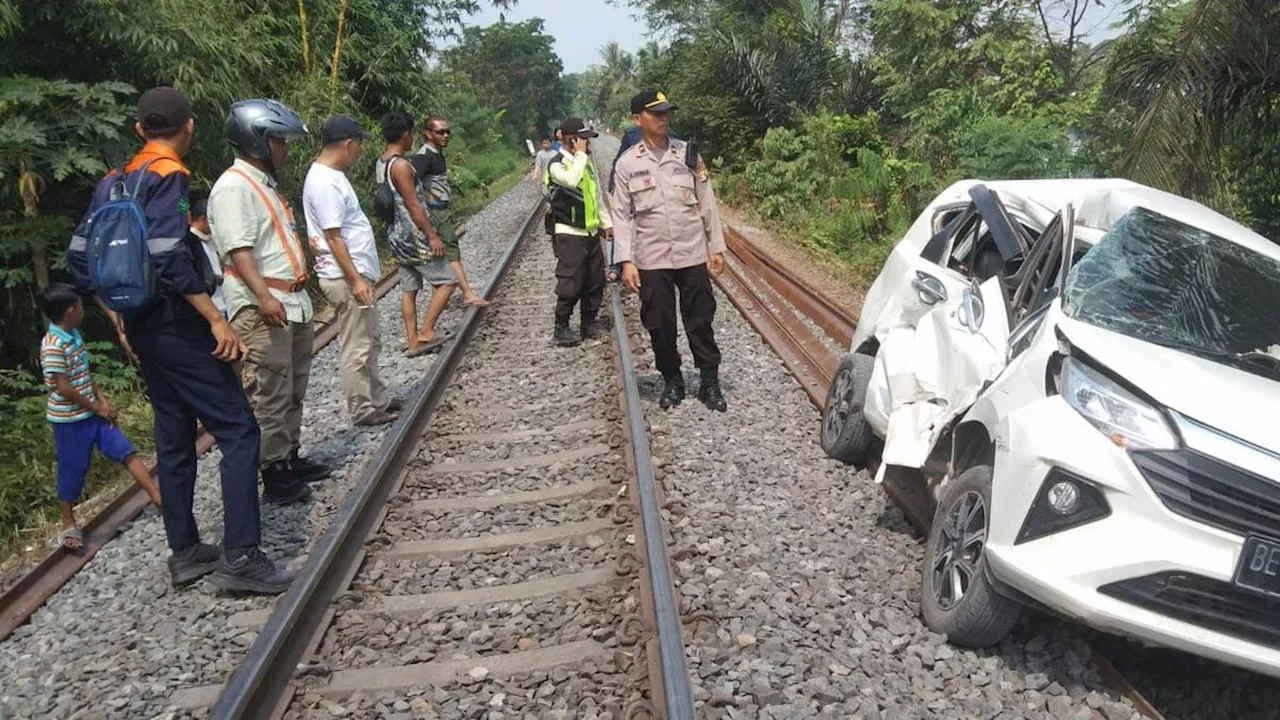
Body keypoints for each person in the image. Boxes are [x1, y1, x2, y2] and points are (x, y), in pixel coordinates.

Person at [66, 86, 292, 594]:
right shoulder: (168, 176)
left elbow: (80, 260)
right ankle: (241, 557)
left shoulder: (112, 181)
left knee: (173, 440)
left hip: (143, 327)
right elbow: (169, 255)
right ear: (189, 126)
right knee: (238, 431)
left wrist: (120, 316)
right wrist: (215, 319)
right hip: (177, 323)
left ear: (139, 129)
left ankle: (186, 552)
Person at [210, 98, 327, 506]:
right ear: (257, 140)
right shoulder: (233, 187)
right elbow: (239, 250)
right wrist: (262, 296)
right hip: (265, 305)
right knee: (270, 392)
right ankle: (273, 472)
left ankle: (289, 455)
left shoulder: (263, 184)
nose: (285, 149)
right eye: (279, 140)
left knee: (293, 386)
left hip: (289, 301)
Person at [610, 90, 728, 412]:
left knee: (701, 319)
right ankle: (672, 380)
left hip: (691, 252)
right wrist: (625, 260)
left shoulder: (688, 154)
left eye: (666, 113)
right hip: (652, 257)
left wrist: (715, 246)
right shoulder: (627, 164)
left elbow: (707, 200)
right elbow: (620, 215)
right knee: (659, 323)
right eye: (656, 113)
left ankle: (709, 381)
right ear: (638, 119)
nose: (664, 118)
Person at [39, 283, 164, 556]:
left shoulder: (73, 335)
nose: (83, 309)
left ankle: (157, 498)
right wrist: (97, 408)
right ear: (71, 310)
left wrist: (102, 401)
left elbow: (84, 373)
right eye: (80, 305)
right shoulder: (52, 345)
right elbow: (62, 387)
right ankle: (69, 521)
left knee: (125, 450)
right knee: (73, 468)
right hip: (70, 420)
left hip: (93, 412)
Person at [302, 115, 401, 427]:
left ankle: (378, 398)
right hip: (346, 278)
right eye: (357, 145)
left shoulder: (331, 175)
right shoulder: (324, 182)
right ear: (347, 144)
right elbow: (334, 237)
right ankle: (362, 408)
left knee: (369, 338)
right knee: (357, 344)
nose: (359, 152)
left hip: (354, 274)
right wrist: (356, 279)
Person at [378, 111, 458, 357]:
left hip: (396, 235)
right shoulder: (401, 166)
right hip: (414, 236)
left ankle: (413, 342)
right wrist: (432, 236)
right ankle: (426, 330)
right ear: (405, 134)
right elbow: (413, 205)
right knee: (447, 281)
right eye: (411, 133)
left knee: (409, 289)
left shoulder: (381, 162)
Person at [546, 118, 612, 347]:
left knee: (595, 279)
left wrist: (606, 223)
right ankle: (561, 326)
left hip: (591, 232)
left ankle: (589, 321)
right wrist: (581, 155)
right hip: (569, 232)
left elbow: (597, 196)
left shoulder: (587, 164)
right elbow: (571, 180)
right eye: (583, 138)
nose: (587, 143)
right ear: (569, 138)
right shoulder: (556, 164)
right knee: (570, 281)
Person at [412, 115, 490, 308]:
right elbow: (411, 182)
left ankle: (442, 294)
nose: (445, 135)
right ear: (428, 133)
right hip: (435, 212)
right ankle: (467, 293)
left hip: (442, 211)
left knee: (444, 252)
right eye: (440, 132)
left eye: (447, 132)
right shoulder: (424, 156)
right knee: (451, 251)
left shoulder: (436, 153)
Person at [188, 192, 226, 318]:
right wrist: (217, 278)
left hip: (222, 305)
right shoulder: (191, 243)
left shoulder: (210, 241)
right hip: (209, 308)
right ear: (203, 219)